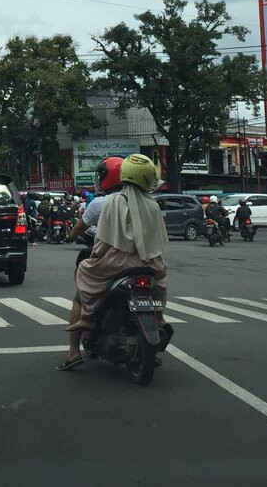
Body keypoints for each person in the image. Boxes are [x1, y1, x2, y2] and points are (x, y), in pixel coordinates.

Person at [60, 154, 169, 371]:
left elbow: (102, 239)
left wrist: (94, 254)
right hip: (150, 262)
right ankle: (159, 317)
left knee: (83, 273)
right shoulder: (152, 204)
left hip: (116, 263)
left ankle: (80, 336)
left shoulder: (108, 202)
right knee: (160, 282)